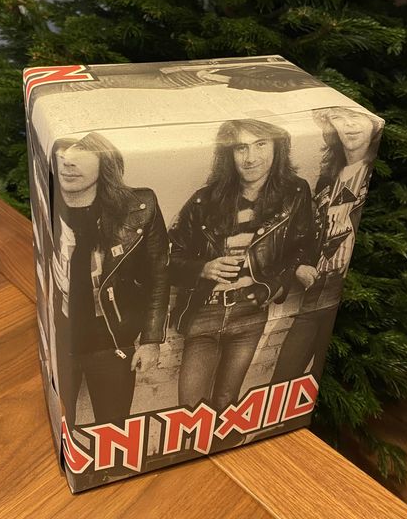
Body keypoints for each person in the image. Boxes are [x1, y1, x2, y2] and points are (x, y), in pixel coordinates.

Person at [169, 118, 315, 417]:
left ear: (277, 147)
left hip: (250, 311)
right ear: (229, 153)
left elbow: (303, 244)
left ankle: (221, 446)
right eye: (241, 148)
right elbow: (169, 258)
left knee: (227, 400)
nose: (251, 157)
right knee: (190, 408)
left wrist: (280, 281)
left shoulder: (295, 192)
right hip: (205, 311)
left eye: (260, 144)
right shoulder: (203, 200)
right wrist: (202, 268)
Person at [50, 131, 170, 432]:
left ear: (104, 159)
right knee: (56, 427)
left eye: (81, 152)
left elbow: (158, 273)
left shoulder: (138, 206)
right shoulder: (44, 202)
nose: (68, 162)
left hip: (112, 341)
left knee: (113, 433)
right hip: (58, 340)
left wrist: (151, 340)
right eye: (61, 153)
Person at [271, 106, 384, 384]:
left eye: (356, 117)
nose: (348, 125)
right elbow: (307, 234)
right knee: (282, 378)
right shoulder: (327, 180)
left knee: (327, 376)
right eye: (338, 119)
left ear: (373, 125)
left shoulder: (376, 172)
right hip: (316, 287)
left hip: (348, 291)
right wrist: (299, 266)